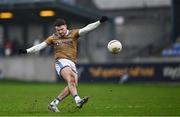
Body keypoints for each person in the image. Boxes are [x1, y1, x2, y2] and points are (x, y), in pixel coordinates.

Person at [18, 16, 108, 112]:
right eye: (58, 30)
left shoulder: (74, 33)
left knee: (73, 85)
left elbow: (87, 28)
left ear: (66, 26)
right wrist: (26, 51)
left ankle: (54, 104)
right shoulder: (53, 38)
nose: (60, 32)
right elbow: (40, 46)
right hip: (61, 62)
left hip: (72, 63)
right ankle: (78, 100)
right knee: (71, 79)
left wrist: (99, 22)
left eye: (62, 29)